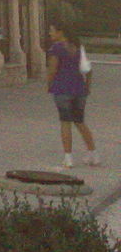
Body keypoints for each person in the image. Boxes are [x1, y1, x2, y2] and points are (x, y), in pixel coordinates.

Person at [46, 21, 100, 168]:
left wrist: (49, 85)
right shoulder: (77, 47)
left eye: (52, 30)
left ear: (60, 32)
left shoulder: (56, 48)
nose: (50, 33)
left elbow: (52, 69)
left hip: (63, 88)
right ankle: (93, 154)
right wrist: (87, 87)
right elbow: (87, 69)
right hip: (79, 88)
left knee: (65, 123)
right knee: (80, 121)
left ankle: (68, 158)